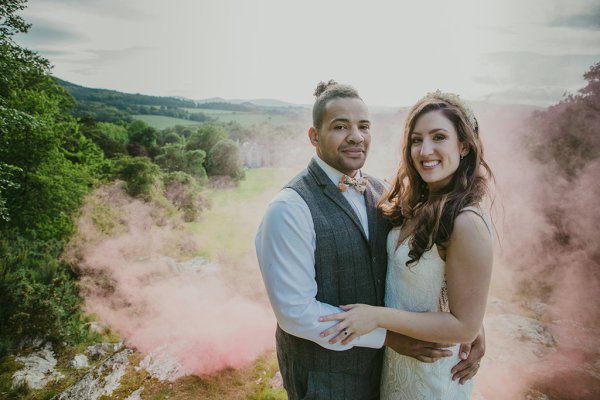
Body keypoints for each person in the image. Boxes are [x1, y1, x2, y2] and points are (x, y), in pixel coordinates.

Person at [256, 81, 485, 400]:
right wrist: (386, 336)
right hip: (326, 381)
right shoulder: (289, 209)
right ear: (314, 136)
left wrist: (466, 322)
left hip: (388, 375)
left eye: (364, 125)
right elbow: (296, 313)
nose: (356, 136)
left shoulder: (383, 193)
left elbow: (433, 269)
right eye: (340, 126)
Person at [319, 90, 494, 399]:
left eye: (439, 137)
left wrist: (376, 317)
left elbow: (464, 325)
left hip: (432, 376)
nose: (425, 151)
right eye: (416, 139)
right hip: (397, 368)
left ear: (464, 145)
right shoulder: (412, 202)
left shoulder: (466, 222)